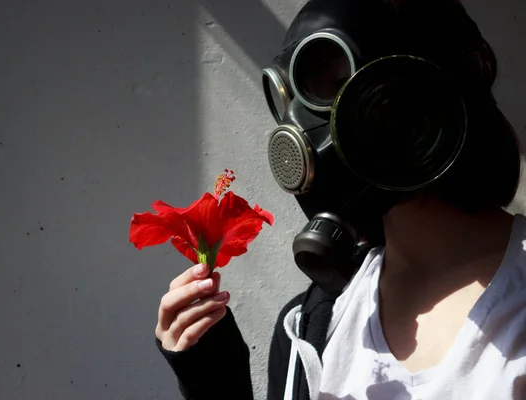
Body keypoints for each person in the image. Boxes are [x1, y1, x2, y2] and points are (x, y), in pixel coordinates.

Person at [154, 0, 526, 399]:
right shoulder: (309, 327)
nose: (305, 124)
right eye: (298, 96)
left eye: (340, 85)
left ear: (437, 87)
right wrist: (214, 383)